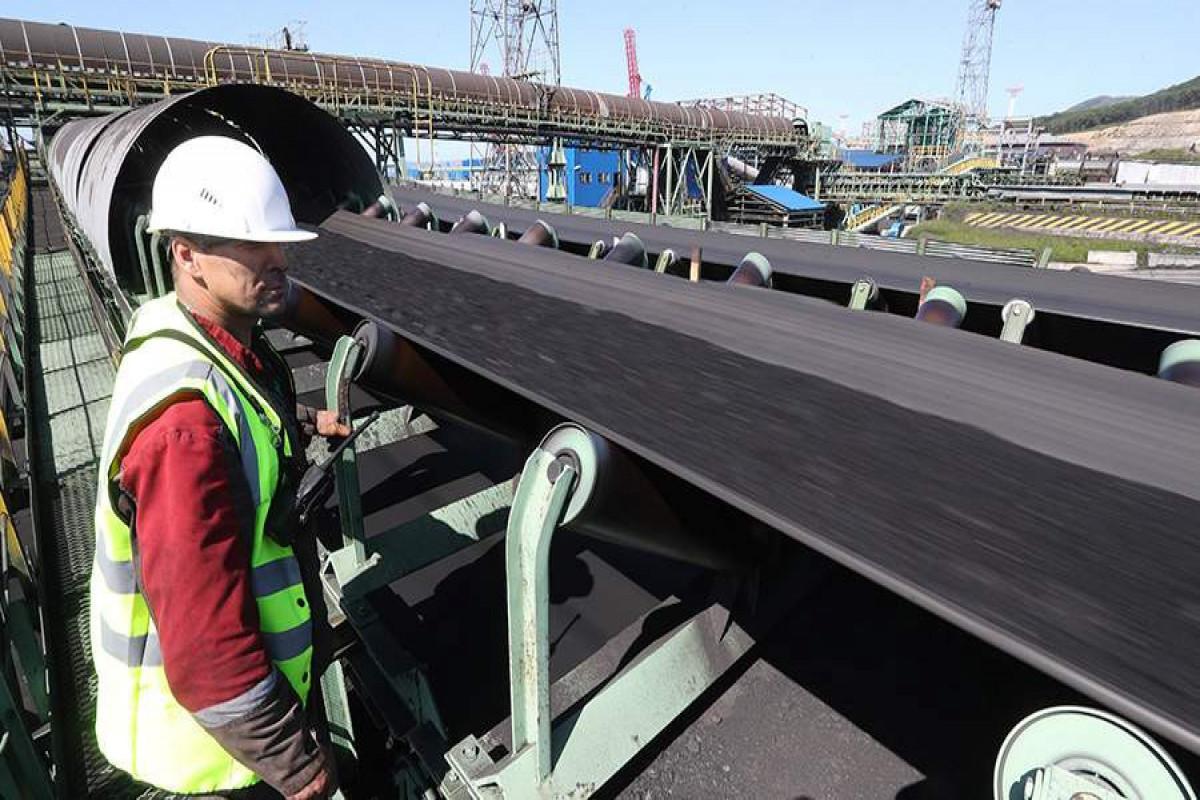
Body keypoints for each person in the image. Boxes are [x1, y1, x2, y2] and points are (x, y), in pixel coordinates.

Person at [91, 136, 348, 799]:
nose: (278, 260)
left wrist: (300, 422)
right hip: (215, 757)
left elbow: (236, 411)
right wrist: (298, 765)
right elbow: (208, 650)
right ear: (187, 255)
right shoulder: (183, 432)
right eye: (252, 245)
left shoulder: (189, 331)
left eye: (278, 243)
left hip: (236, 732)